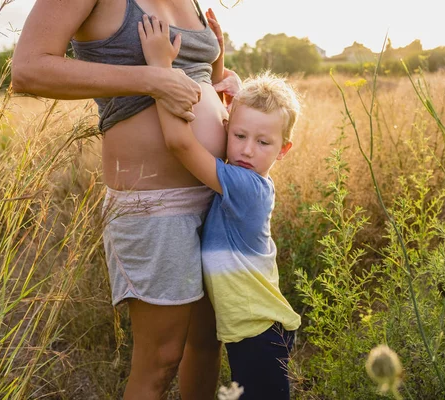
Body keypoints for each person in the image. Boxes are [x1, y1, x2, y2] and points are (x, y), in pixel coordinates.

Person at [12, 1, 241, 399]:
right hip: (155, 206)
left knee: (207, 344)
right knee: (161, 360)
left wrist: (220, 73)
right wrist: (151, 79)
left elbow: (197, 80)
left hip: (217, 195)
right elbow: (28, 69)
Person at [138, 15, 302, 399]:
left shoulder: (248, 187)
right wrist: (218, 58)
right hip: (249, 331)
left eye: (264, 143)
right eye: (240, 135)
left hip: (260, 334)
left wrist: (160, 70)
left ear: (284, 150)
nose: (246, 149)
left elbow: (181, 145)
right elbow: (226, 113)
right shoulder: (238, 169)